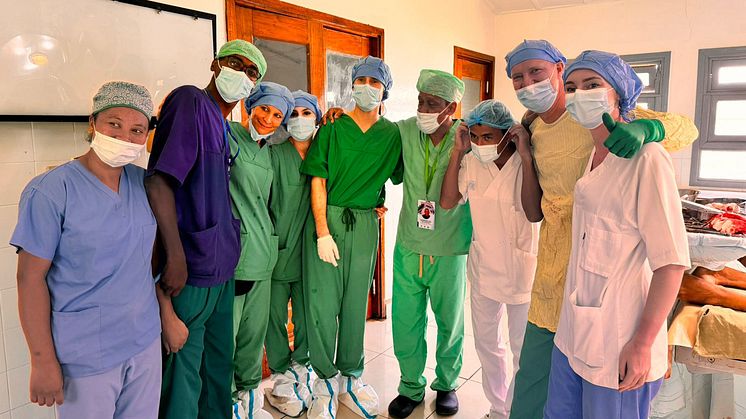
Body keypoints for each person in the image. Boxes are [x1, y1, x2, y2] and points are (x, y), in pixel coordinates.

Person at [504, 40, 699, 419]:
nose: (528, 84)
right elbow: (537, 211)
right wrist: (525, 156)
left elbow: (686, 128)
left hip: (611, 294)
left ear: (558, 69)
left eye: (536, 73)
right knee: (535, 393)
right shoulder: (534, 130)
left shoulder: (616, 128)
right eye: (518, 78)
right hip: (556, 282)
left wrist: (649, 128)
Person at [322, 69, 472, 418]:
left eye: (432, 103)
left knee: (450, 323)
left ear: (451, 107)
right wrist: (339, 114)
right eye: (420, 100)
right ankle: (410, 386)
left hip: (449, 247)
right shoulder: (404, 130)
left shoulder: (465, 138)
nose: (423, 108)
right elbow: (370, 138)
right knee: (406, 321)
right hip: (408, 243)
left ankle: (447, 383)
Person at [11, 81, 161, 418]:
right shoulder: (51, 191)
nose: (125, 137)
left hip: (144, 342)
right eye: (114, 125)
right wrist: (42, 361)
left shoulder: (144, 184)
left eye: (137, 129)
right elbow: (30, 280)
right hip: (86, 355)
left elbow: (147, 262)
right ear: (92, 123)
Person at [146, 39, 267, 419]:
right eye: (236, 64)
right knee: (185, 372)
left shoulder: (222, 122)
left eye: (252, 73)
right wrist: (175, 256)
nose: (243, 76)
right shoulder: (190, 102)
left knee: (218, 367)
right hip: (192, 269)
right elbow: (159, 181)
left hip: (221, 266)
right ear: (216, 65)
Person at [300, 56, 403, 419]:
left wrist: (380, 204)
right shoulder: (331, 128)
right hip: (329, 219)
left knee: (356, 304)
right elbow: (318, 180)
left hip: (364, 225)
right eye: (362, 80)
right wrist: (322, 231)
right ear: (352, 85)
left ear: (385, 90)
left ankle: (350, 379)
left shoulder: (392, 134)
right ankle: (324, 383)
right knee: (321, 306)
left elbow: (405, 175)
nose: (368, 88)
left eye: (376, 83)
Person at [440, 99, 540, 419]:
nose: (482, 144)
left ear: (507, 134)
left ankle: (516, 409)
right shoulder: (471, 162)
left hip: (521, 268)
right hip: (483, 268)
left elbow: (532, 211)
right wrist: (458, 151)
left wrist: (525, 155)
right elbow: (447, 202)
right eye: (477, 137)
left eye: (489, 137)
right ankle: (499, 407)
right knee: (487, 344)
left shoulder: (526, 162)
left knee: (521, 348)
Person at [228, 81, 294, 419]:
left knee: (254, 334)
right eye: (264, 109)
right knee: (230, 335)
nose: (268, 118)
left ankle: (250, 394)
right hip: (235, 256)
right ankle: (226, 400)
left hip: (263, 254)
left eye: (277, 114)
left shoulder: (271, 151)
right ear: (250, 105)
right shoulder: (228, 135)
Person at [264, 90, 323, 417]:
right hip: (277, 250)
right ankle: (281, 372)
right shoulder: (274, 154)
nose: (300, 119)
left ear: (317, 116)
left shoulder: (325, 151)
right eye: (294, 113)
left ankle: (303, 367)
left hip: (312, 253)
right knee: (273, 317)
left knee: (307, 315)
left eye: (307, 112)